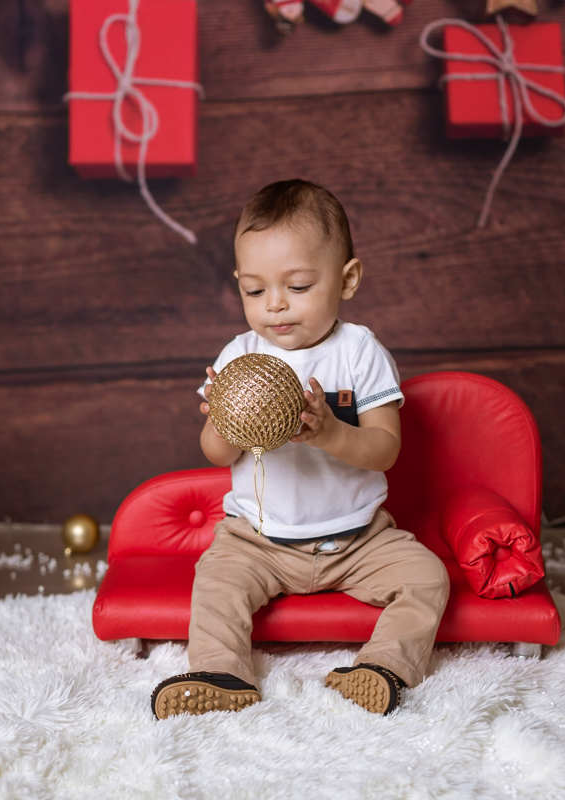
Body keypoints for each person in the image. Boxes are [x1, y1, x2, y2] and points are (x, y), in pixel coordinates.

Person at [151, 180, 449, 719]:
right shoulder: (241, 356)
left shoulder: (359, 352)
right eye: (255, 291)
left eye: (299, 285)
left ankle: (382, 668)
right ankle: (221, 674)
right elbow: (216, 455)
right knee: (216, 581)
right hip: (259, 540)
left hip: (357, 539)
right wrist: (226, 421)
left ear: (347, 279)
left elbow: (385, 449)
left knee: (428, 578)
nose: (276, 305)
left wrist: (330, 432)